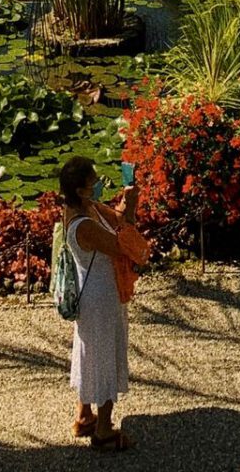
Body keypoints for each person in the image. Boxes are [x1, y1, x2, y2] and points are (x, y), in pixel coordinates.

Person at [58, 154, 145, 451]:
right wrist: (130, 211)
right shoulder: (83, 224)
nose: (97, 187)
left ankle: (84, 416)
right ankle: (105, 430)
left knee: (89, 352)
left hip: (94, 292)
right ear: (81, 190)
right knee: (105, 355)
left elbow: (120, 221)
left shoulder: (85, 207)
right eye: (93, 183)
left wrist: (128, 203)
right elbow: (123, 245)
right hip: (101, 296)